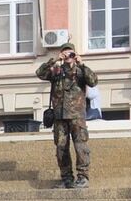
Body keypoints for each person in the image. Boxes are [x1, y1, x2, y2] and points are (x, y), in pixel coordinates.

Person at [36, 43, 98, 189]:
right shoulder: (56, 71)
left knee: (80, 146)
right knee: (61, 148)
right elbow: (40, 73)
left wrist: (81, 64)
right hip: (59, 117)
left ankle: (82, 177)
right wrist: (54, 60)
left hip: (77, 116)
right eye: (65, 53)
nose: (68, 56)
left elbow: (93, 81)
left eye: (70, 53)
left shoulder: (80, 71)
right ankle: (66, 179)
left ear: (75, 55)